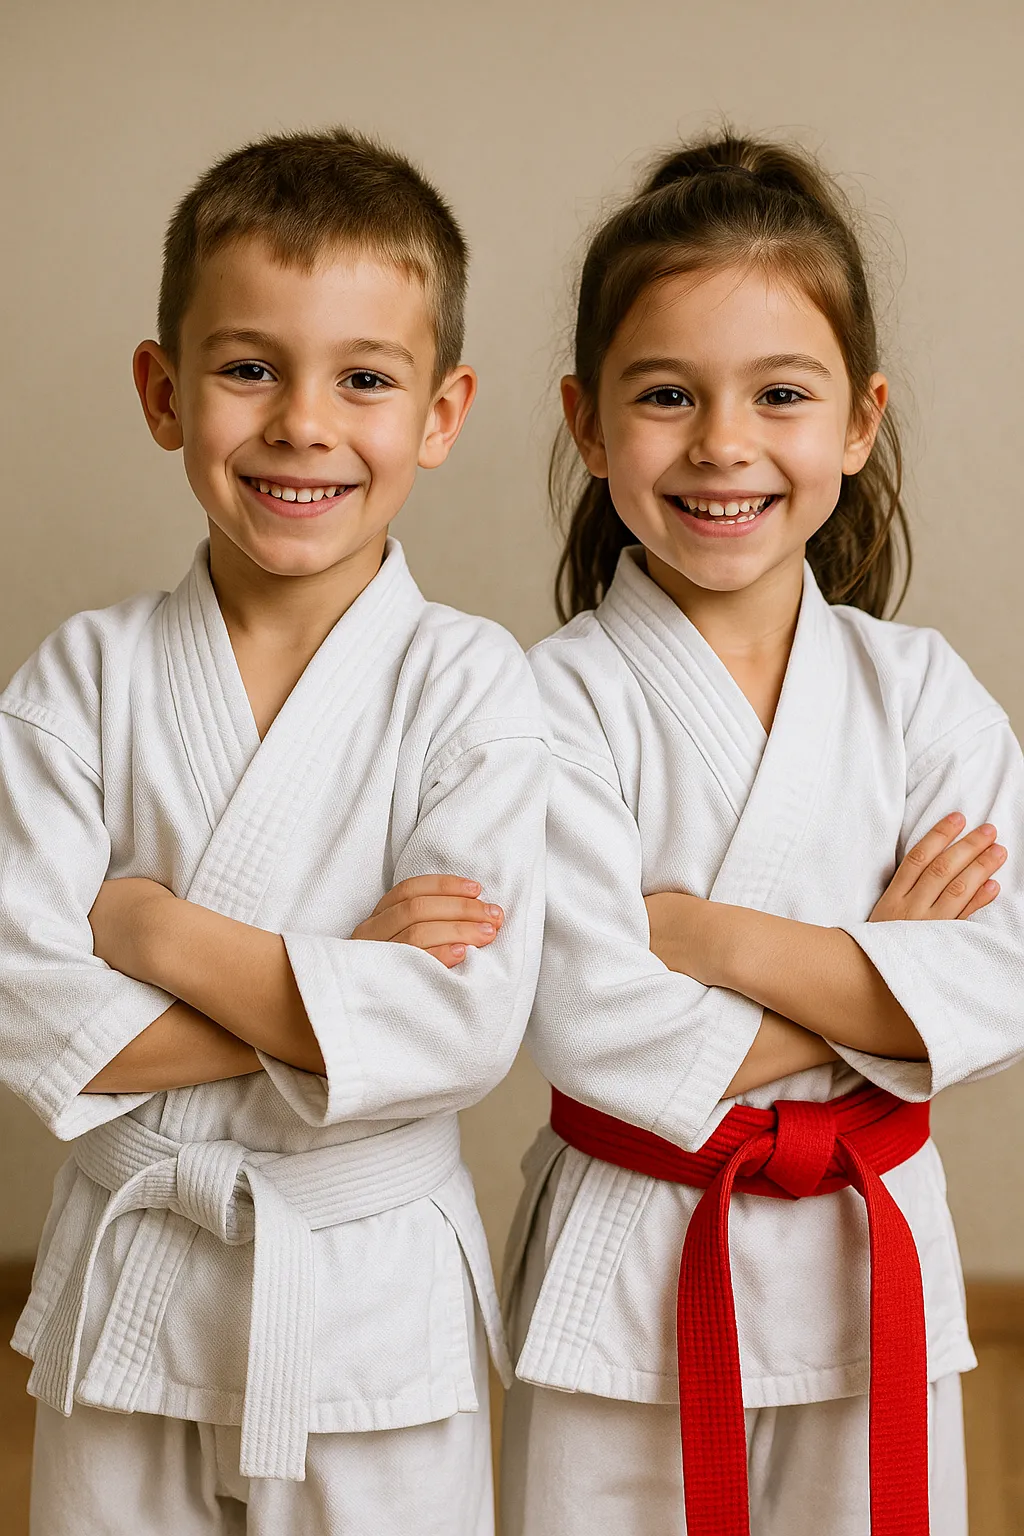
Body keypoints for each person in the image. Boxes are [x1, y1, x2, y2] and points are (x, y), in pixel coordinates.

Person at [0, 127, 548, 1535]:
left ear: (441, 412)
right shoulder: (82, 680)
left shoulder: (470, 683)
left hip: (369, 1293)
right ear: (162, 390)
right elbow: (30, 1012)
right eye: (249, 368)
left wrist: (151, 930)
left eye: (365, 378)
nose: (305, 423)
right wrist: (337, 977)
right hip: (132, 1283)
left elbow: (460, 1026)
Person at [501, 131, 1024, 1536]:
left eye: (780, 394)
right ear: (587, 422)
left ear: (858, 421)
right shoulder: (544, 704)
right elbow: (591, 1028)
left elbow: (997, 983)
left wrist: (705, 935)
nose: (723, 443)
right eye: (667, 394)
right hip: (631, 1258)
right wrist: (879, 969)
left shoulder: (920, 693)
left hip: (870, 1248)